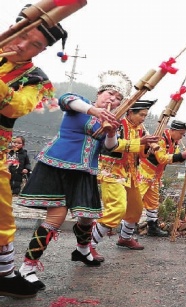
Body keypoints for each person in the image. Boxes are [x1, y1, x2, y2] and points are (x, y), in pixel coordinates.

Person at [17, 70, 131, 291]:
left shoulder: (113, 119)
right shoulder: (80, 103)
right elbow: (65, 100)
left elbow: (110, 147)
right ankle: (27, 268)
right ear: (99, 93)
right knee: (56, 217)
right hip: (57, 165)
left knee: (87, 217)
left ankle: (82, 251)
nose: (112, 99)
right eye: (109, 93)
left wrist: (111, 131)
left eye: (118, 98)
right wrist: (94, 111)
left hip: (85, 171)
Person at [0, 4, 68, 298]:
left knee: (1, 216)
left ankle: (4, 273)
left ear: (41, 51)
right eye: (22, 35)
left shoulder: (36, 79)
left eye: (36, 44)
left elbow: (17, 106)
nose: (23, 45)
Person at [91, 100, 159, 261]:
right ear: (130, 113)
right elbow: (111, 146)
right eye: (141, 115)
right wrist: (139, 142)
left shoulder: (141, 129)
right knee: (117, 208)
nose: (143, 118)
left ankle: (125, 238)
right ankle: (89, 245)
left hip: (131, 173)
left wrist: (147, 148)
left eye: (145, 115)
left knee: (136, 208)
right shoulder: (116, 123)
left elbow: (141, 154)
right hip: (112, 172)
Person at [139, 119, 186, 237]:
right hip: (144, 172)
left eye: (183, 134)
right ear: (173, 130)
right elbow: (162, 158)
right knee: (137, 199)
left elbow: (173, 158)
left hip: (155, 175)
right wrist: (181, 155)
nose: (182, 136)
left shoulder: (174, 142)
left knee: (153, 202)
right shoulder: (161, 139)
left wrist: (185, 157)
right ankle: (127, 226)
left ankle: (152, 227)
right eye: (181, 133)